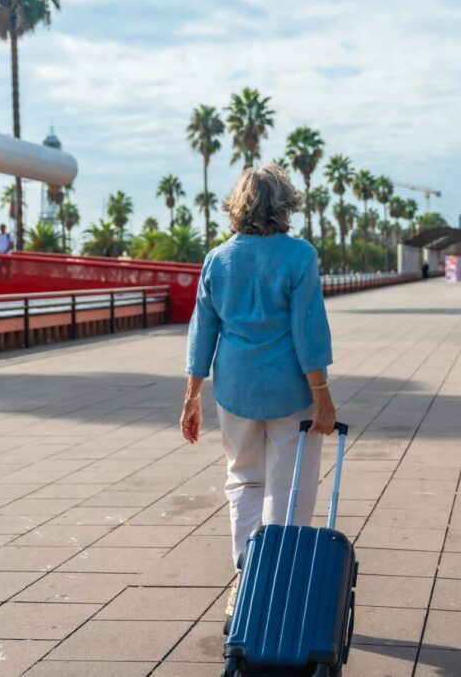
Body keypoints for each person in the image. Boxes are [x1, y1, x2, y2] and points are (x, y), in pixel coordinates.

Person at [181, 164, 336, 627]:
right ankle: (280, 580)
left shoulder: (218, 258)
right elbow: (308, 332)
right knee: (290, 488)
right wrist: (322, 394)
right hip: (290, 391)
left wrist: (193, 395)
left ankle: (246, 577)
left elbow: (201, 329)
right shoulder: (299, 256)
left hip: (234, 390)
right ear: (283, 205)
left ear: (238, 205)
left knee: (245, 481)